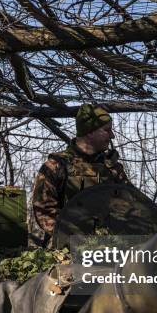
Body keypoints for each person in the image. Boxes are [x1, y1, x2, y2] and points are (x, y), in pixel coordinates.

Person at [32, 104, 131, 245]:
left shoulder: (112, 168)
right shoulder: (56, 166)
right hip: (66, 249)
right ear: (90, 132)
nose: (112, 135)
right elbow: (44, 211)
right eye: (106, 130)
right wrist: (76, 239)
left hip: (108, 248)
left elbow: (131, 205)